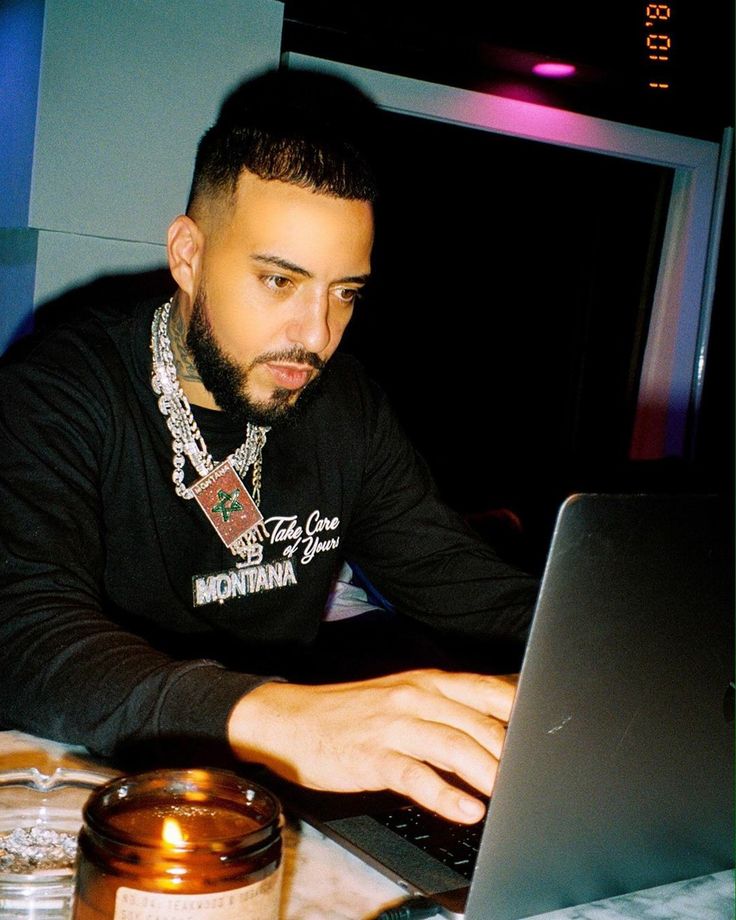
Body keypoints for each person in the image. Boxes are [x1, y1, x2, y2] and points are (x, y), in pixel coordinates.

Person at [0, 69, 537, 824]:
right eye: (280, 280)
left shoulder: (346, 408)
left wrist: (610, 651)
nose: (315, 336)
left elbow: (461, 584)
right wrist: (286, 718)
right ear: (187, 254)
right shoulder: (57, 391)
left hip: (262, 806)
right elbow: (25, 634)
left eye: (344, 292)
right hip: (75, 801)